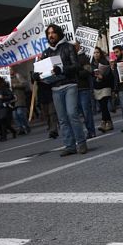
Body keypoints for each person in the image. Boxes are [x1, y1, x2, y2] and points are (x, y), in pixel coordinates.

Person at [34, 23, 86, 156]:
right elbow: (43, 73)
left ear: (59, 34)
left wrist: (62, 69)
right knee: (62, 119)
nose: (50, 35)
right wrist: (36, 76)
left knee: (72, 114)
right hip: (55, 88)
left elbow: (76, 66)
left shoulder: (68, 47)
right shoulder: (46, 53)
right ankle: (69, 146)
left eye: (53, 33)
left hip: (69, 85)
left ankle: (81, 143)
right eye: (48, 34)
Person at [74, 42, 96, 139]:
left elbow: (88, 71)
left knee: (86, 111)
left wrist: (76, 72)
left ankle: (91, 131)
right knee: (79, 113)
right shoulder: (71, 58)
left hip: (83, 88)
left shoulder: (84, 58)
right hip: (74, 88)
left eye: (74, 46)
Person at [92, 47, 114, 133]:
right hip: (97, 87)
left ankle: (103, 122)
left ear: (100, 53)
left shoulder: (105, 62)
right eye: (94, 53)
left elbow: (110, 76)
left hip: (105, 86)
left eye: (97, 52)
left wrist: (103, 77)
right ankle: (108, 122)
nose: (96, 54)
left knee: (104, 105)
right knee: (102, 105)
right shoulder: (92, 64)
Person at [0, 76, 17, 141]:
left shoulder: (4, 88)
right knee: (0, 122)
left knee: (3, 121)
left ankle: (4, 137)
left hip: (4, 106)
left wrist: (3, 97)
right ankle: (13, 131)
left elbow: (11, 96)